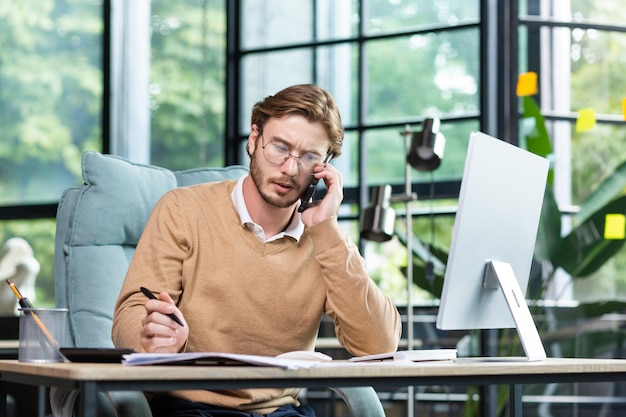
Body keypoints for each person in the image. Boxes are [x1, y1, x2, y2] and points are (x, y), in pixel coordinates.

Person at [112, 84, 401, 417]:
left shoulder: (326, 240)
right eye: (279, 147)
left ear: (325, 168)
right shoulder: (183, 209)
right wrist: (150, 339)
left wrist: (326, 231)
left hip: (280, 412)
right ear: (253, 138)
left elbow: (379, 345)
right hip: (189, 407)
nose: (291, 169)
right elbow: (131, 311)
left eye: (309, 157)